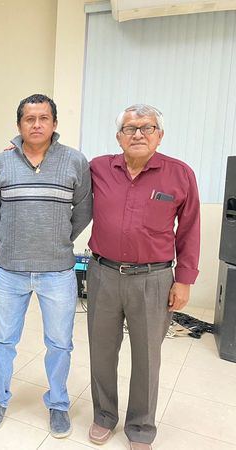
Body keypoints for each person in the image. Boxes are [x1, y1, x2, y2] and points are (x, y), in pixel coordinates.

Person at [87, 104, 200, 450]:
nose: (138, 134)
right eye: (130, 128)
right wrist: (20, 147)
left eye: (147, 128)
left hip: (153, 280)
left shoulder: (180, 174)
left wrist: (184, 280)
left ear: (159, 135)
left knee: (147, 357)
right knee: (102, 351)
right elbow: (58, 168)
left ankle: (140, 427)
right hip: (103, 274)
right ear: (118, 136)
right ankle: (104, 415)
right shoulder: (98, 168)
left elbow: (190, 229)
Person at [0, 94, 92, 437]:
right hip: (10, 271)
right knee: (3, 341)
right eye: (29, 119)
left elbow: (84, 210)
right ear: (19, 125)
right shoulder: (1, 163)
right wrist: (9, 243)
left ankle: (58, 404)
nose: (37, 124)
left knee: (60, 343)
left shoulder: (74, 161)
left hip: (57, 271)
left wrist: (59, 241)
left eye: (44, 118)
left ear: (54, 123)